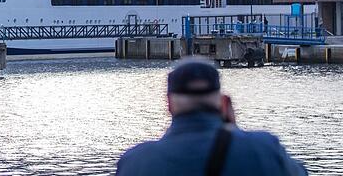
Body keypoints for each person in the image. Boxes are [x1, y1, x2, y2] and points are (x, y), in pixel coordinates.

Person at [116, 57, 307, 176]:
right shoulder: (264, 148)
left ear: (169, 103)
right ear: (223, 102)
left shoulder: (135, 162)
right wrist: (233, 131)